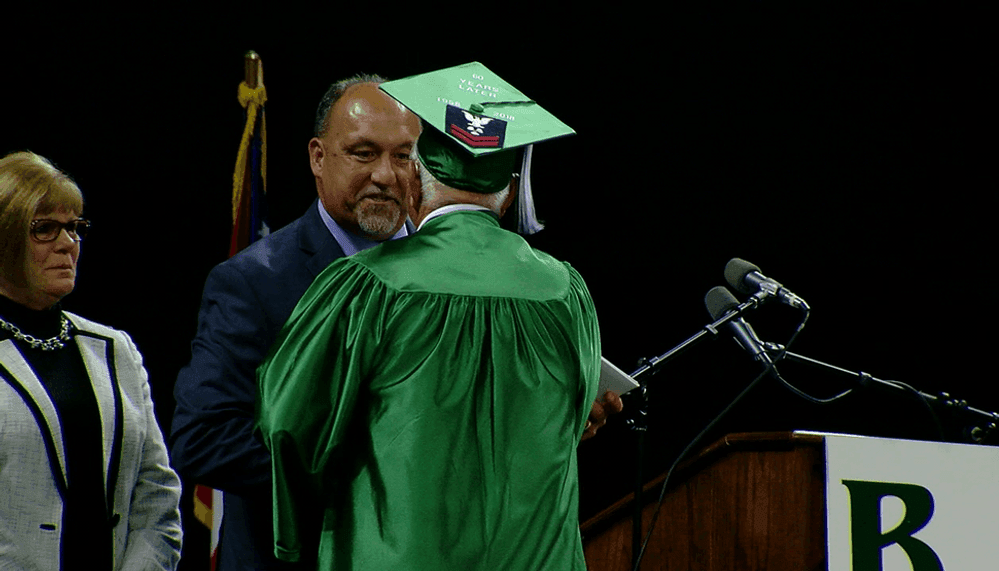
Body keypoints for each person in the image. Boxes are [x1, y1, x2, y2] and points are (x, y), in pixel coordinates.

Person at [256, 62, 600, 570]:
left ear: (415, 178)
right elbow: (572, 424)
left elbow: (289, 423)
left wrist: (299, 531)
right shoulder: (565, 290)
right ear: (508, 193)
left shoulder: (367, 287)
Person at [168, 75, 422, 571]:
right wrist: (362, 474)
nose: (387, 176)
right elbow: (202, 438)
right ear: (318, 158)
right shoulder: (252, 283)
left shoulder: (451, 280)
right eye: (364, 153)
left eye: (403, 155)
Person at [0, 151, 183, 569]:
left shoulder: (113, 348)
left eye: (74, 227)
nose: (68, 243)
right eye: (43, 228)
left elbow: (155, 494)